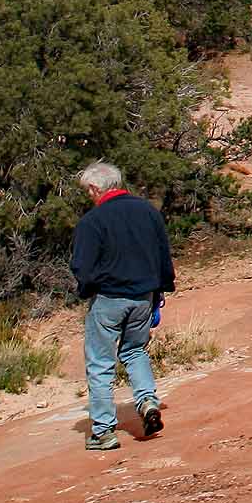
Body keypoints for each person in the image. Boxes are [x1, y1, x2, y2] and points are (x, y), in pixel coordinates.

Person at [69, 160, 175, 451]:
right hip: (144, 296)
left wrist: (87, 290)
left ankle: (103, 432)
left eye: (88, 192)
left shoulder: (93, 221)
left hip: (109, 299)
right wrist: (161, 291)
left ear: (94, 188)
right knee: (135, 350)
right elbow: (163, 254)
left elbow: (82, 267)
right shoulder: (148, 212)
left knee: (101, 363)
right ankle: (148, 401)